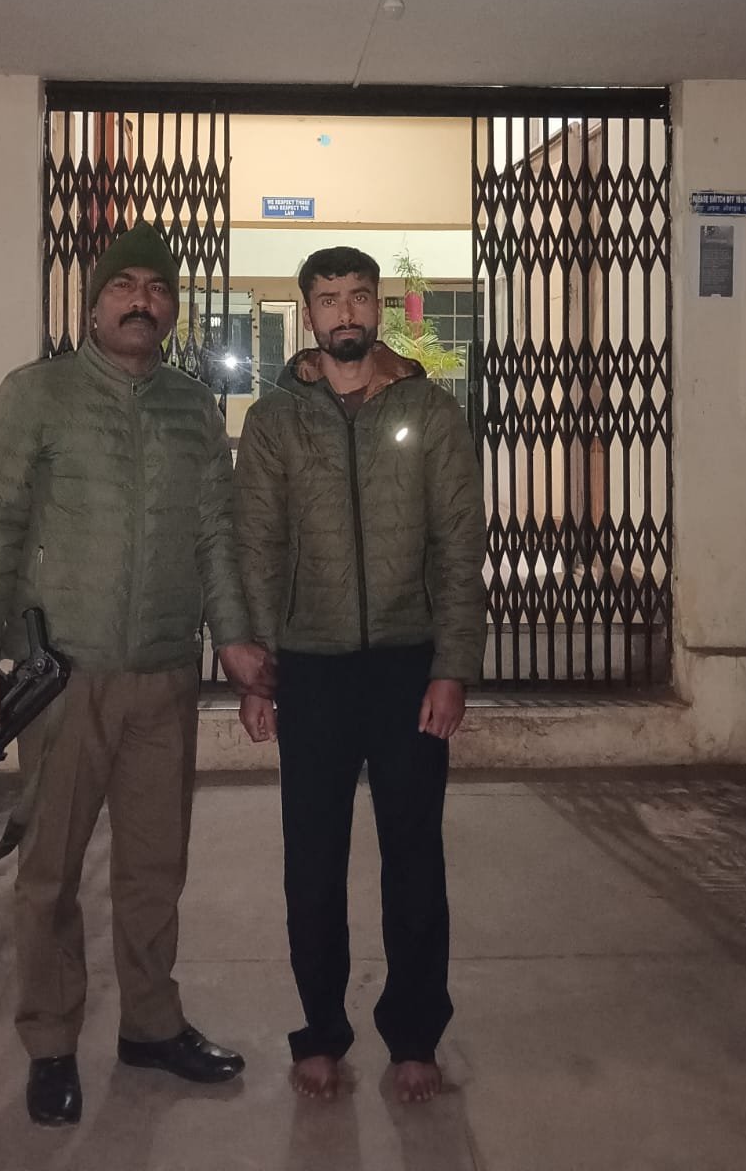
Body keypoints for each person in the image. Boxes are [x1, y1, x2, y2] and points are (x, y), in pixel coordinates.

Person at [0, 221, 274, 1127]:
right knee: (49, 873)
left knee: (155, 867)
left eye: (158, 288)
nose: (142, 300)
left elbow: (215, 536)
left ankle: (152, 1025)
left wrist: (235, 639)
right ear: (94, 305)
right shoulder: (37, 396)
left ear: (171, 310)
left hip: (164, 678)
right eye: (125, 285)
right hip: (64, 681)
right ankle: (51, 1042)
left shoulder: (192, 408)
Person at [233, 245, 486, 1105]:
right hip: (312, 671)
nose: (345, 312)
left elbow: (459, 547)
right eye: (329, 298)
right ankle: (321, 1033)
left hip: (410, 667)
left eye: (359, 297)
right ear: (307, 313)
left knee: (414, 857)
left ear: (380, 308)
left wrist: (452, 668)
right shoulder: (275, 422)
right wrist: (258, 672)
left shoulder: (431, 412)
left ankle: (414, 1036)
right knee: (312, 861)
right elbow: (257, 548)